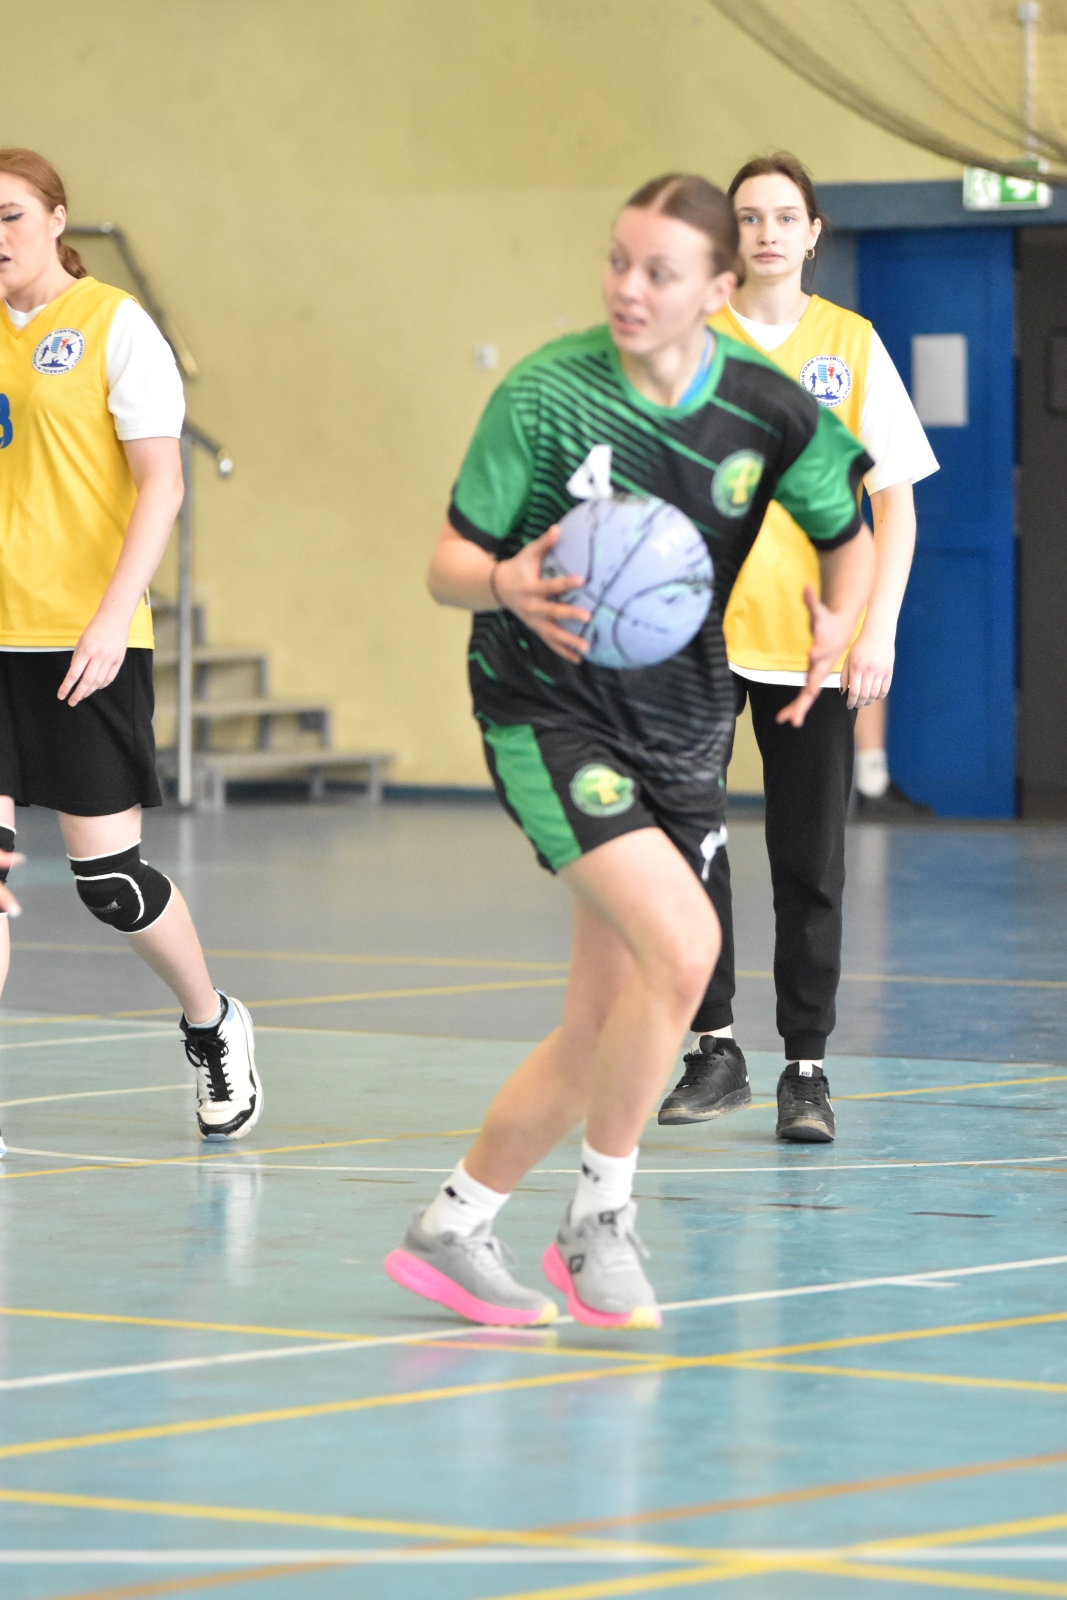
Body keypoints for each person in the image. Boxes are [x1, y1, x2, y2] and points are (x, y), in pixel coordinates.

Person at [383, 172, 874, 1330]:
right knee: (686, 945)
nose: (628, 288)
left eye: (657, 271)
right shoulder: (544, 393)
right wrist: (505, 579)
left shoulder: (764, 408)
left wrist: (839, 621)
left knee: (602, 1022)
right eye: (616, 261)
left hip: (679, 731)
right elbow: (446, 564)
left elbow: (847, 528)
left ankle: (454, 1223)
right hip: (543, 711)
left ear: (715, 287)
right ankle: (596, 1219)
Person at [658, 152, 937, 1143]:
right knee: (687, 849)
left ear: (813, 233)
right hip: (695, 640)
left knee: (808, 861)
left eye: (785, 216)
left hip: (812, 645)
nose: (767, 232)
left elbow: (895, 504)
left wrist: (878, 627)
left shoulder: (850, 346)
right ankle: (713, 1049)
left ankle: (804, 1069)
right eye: (750, 217)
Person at [0, 148, 261, 1159]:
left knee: (109, 882)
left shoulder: (115, 325)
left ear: (56, 218)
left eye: (11, 215)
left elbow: (162, 483)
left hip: (82, 639)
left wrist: (112, 618)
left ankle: (211, 1022)